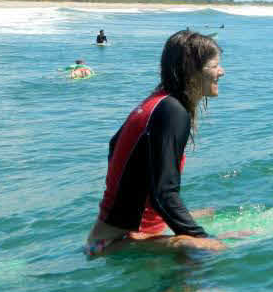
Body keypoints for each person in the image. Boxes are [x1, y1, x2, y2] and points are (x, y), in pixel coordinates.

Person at [85, 30, 226, 256]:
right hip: (118, 244)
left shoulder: (156, 102)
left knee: (209, 214)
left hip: (101, 240)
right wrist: (203, 239)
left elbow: (115, 147)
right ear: (192, 71)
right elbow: (164, 193)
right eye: (215, 66)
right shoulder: (173, 111)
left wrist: (152, 218)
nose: (222, 72)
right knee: (213, 251)